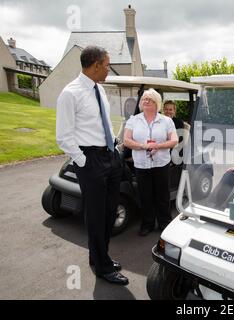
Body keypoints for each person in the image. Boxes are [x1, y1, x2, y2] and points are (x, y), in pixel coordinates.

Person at [56, 46, 128, 285]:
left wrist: (114, 150)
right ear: (95, 65)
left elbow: (102, 124)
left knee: (109, 211)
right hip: (91, 161)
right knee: (96, 215)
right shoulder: (70, 93)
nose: (109, 69)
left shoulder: (99, 89)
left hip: (109, 156)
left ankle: (99, 256)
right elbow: (64, 136)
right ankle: (103, 266)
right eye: (107, 65)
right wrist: (83, 162)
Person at [123, 89, 178, 236]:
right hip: (141, 165)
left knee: (162, 196)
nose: (146, 101)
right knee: (145, 195)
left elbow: (174, 140)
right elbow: (126, 141)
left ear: (157, 103)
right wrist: (143, 146)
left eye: (150, 99)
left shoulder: (166, 121)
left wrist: (157, 146)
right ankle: (147, 223)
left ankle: (164, 223)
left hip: (161, 164)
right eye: (144, 99)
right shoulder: (133, 120)